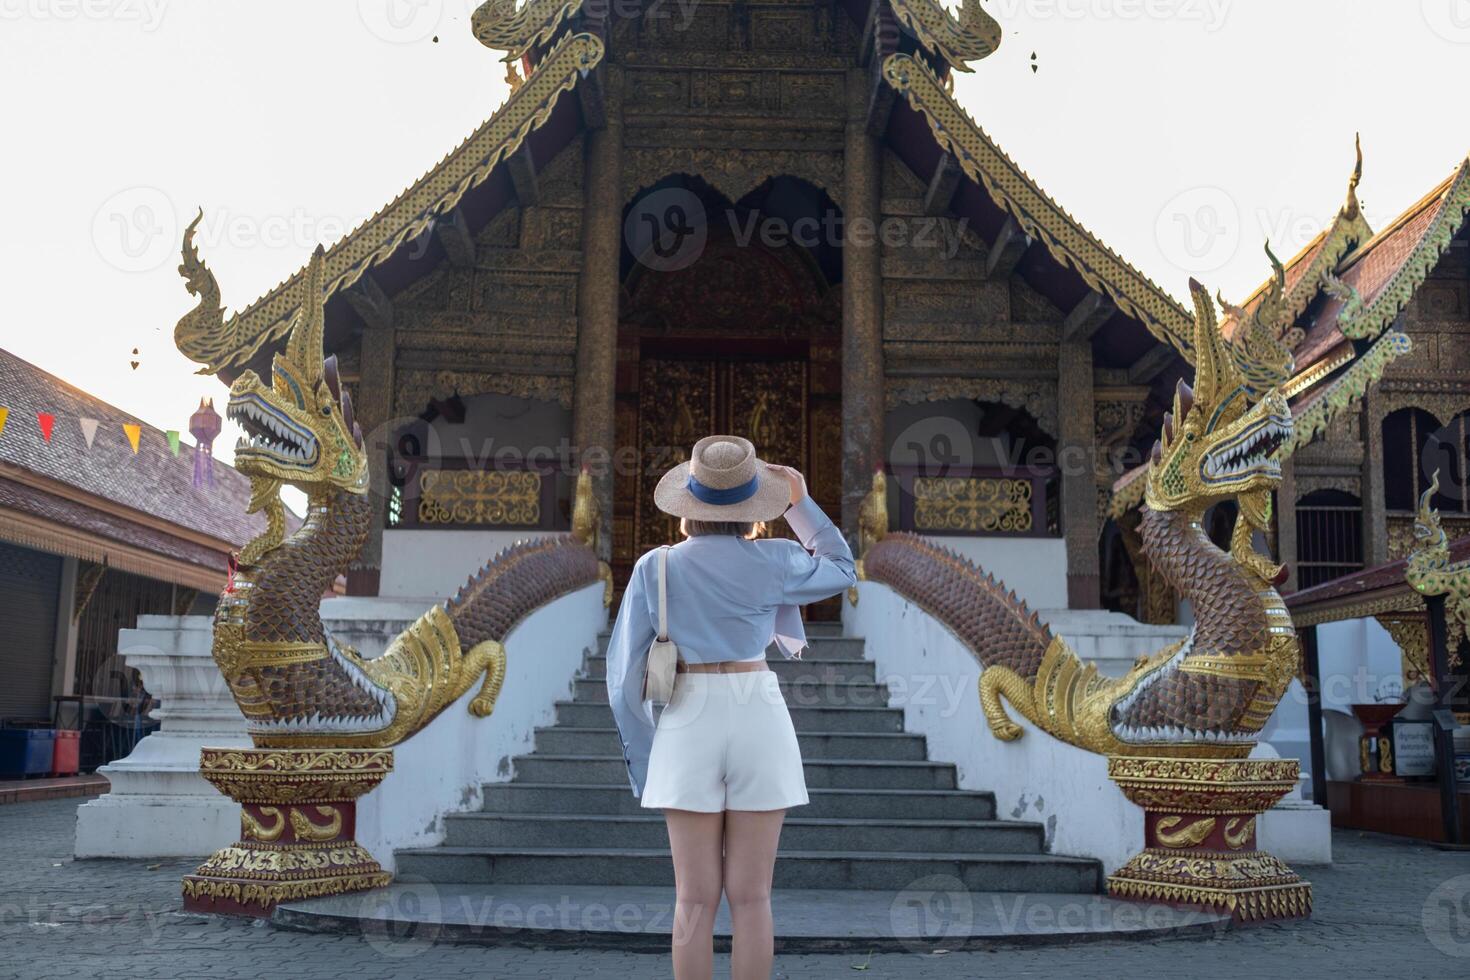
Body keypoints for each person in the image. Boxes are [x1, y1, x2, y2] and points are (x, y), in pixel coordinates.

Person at [606, 435, 856, 980]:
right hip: (756, 709)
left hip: (687, 716)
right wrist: (800, 501)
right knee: (752, 898)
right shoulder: (777, 559)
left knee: (693, 900)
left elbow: (623, 676)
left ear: (688, 506)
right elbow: (841, 567)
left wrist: (648, 752)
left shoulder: (657, 566)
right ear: (753, 507)